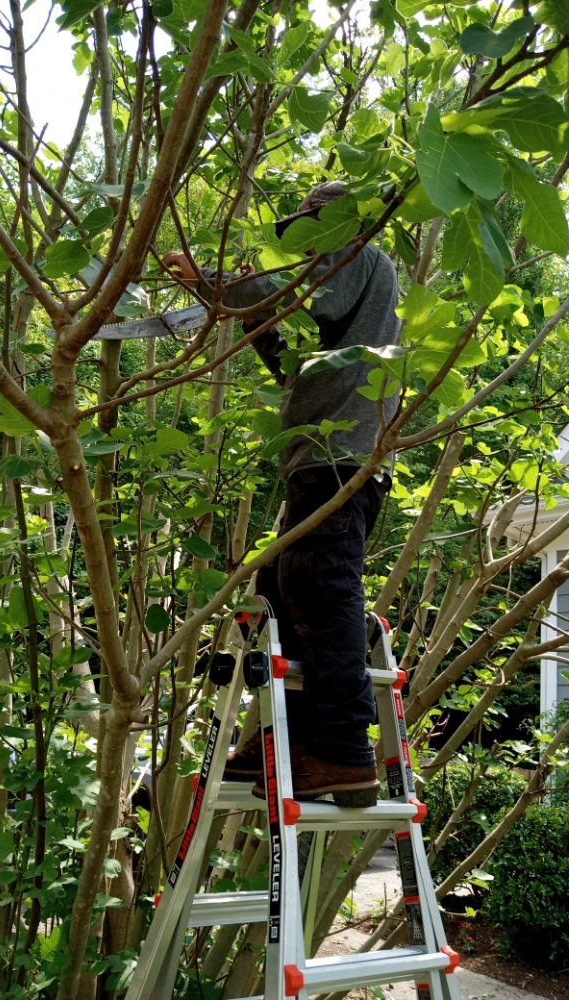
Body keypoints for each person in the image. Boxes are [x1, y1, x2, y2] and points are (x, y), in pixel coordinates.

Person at [163, 182, 400, 807]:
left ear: (331, 224)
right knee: (278, 590)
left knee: (322, 589)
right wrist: (247, 301)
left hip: (338, 455)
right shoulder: (347, 288)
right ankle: (289, 742)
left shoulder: (352, 252)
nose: (301, 246)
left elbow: (311, 302)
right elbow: (294, 352)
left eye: (307, 233)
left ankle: (344, 753)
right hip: (329, 456)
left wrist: (212, 280)